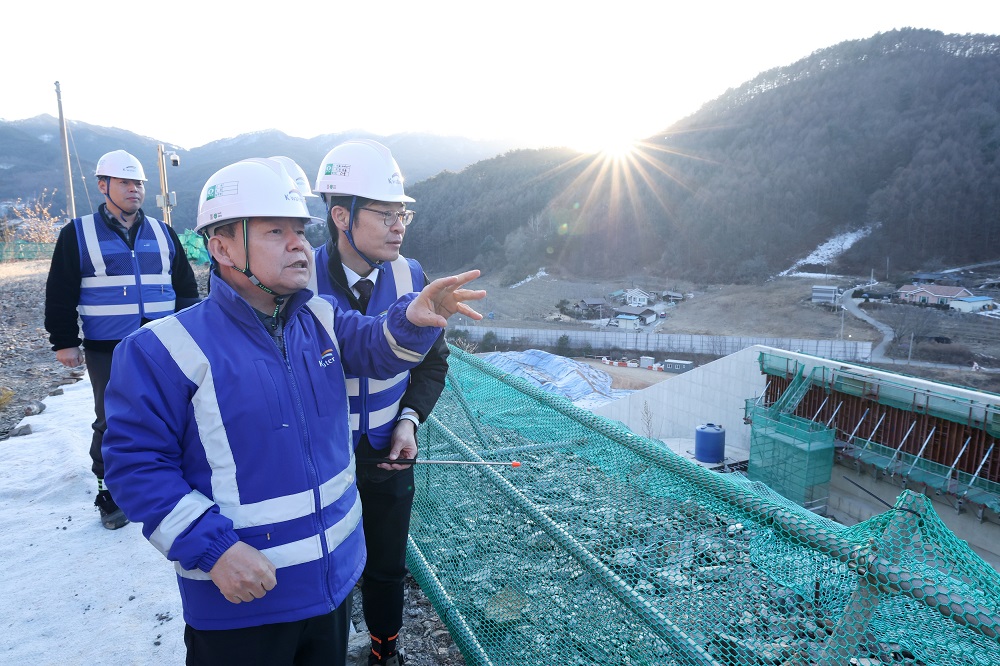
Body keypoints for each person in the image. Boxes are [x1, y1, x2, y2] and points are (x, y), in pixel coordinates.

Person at [101, 157, 484, 666]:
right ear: (220, 247)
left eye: (300, 231)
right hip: (242, 602)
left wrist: (412, 319)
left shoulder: (320, 319)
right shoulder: (162, 350)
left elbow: (375, 345)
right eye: (274, 231)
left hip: (330, 588)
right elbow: (135, 466)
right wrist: (210, 549)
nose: (298, 244)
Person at [312, 139, 447, 666]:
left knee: (387, 565)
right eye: (386, 213)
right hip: (323, 462)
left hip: (391, 452)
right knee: (329, 567)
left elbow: (433, 364)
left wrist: (409, 421)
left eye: (403, 213)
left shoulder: (412, 277)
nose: (399, 225)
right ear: (341, 217)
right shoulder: (298, 283)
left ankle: (384, 649)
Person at [44, 149, 200, 530]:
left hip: (164, 343)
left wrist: (196, 333)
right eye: (125, 182)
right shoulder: (77, 233)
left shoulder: (163, 233)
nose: (134, 190)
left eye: (138, 183)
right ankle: (110, 494)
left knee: (177, 412)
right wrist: (64, 341)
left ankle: (175, 481)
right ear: (103, 185)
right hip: (108, 347)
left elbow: (184, 287)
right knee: (113, 419)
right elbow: (60, 291)